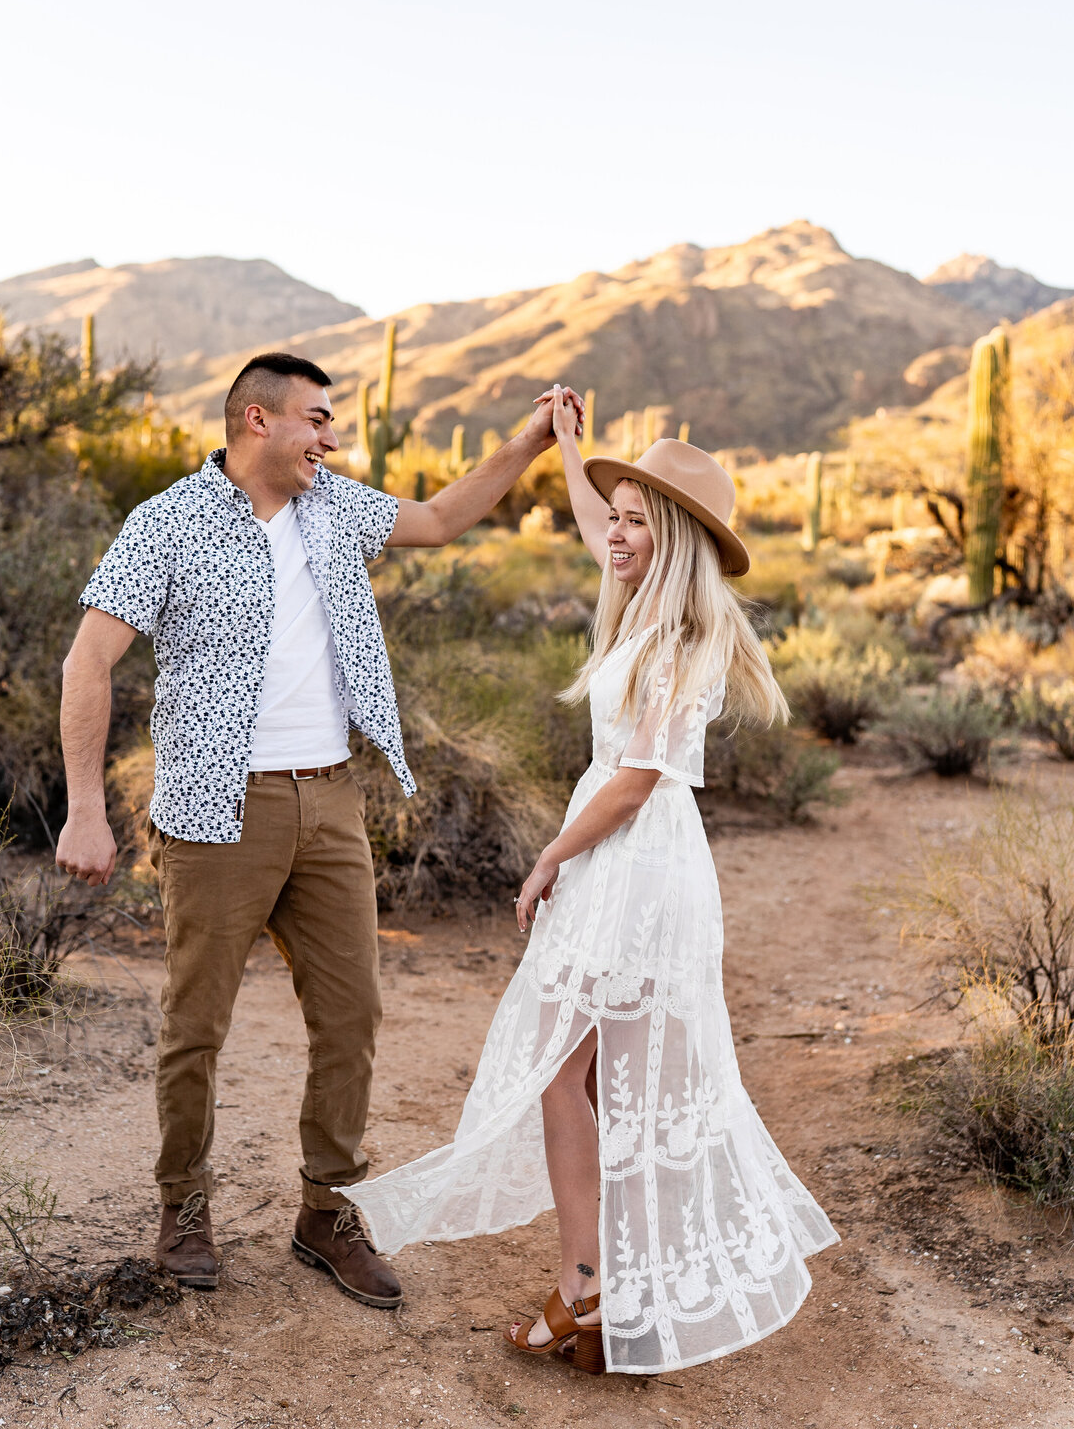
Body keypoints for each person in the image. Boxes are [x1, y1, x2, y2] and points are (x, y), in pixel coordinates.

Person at [55, 352, 583, 1307]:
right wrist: (85, 808)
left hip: (331, 801)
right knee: (197, 1026)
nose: (330, 438)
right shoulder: (166, 525)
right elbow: (88, 663)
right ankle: (183, 1208)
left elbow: (440, 517)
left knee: (353, 1015)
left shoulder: (335, 506)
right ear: (257, 420)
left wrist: (530, 441)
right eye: (317, 420)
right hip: (218, 808)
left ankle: (325, 1209)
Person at [341, 387, 838, 1374]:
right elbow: (597, 524)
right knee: (601, 1074)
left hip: (629, 860)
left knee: (567, 1073)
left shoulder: (672, 639)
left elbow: (638, 779)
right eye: (614, 517)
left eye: (636, 523)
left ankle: (587, 1290)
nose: (613, 533)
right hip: (641, 860)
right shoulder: (646, 601)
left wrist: (549, 855)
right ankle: (617, 1283)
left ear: (677, 541)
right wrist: (573, 452)